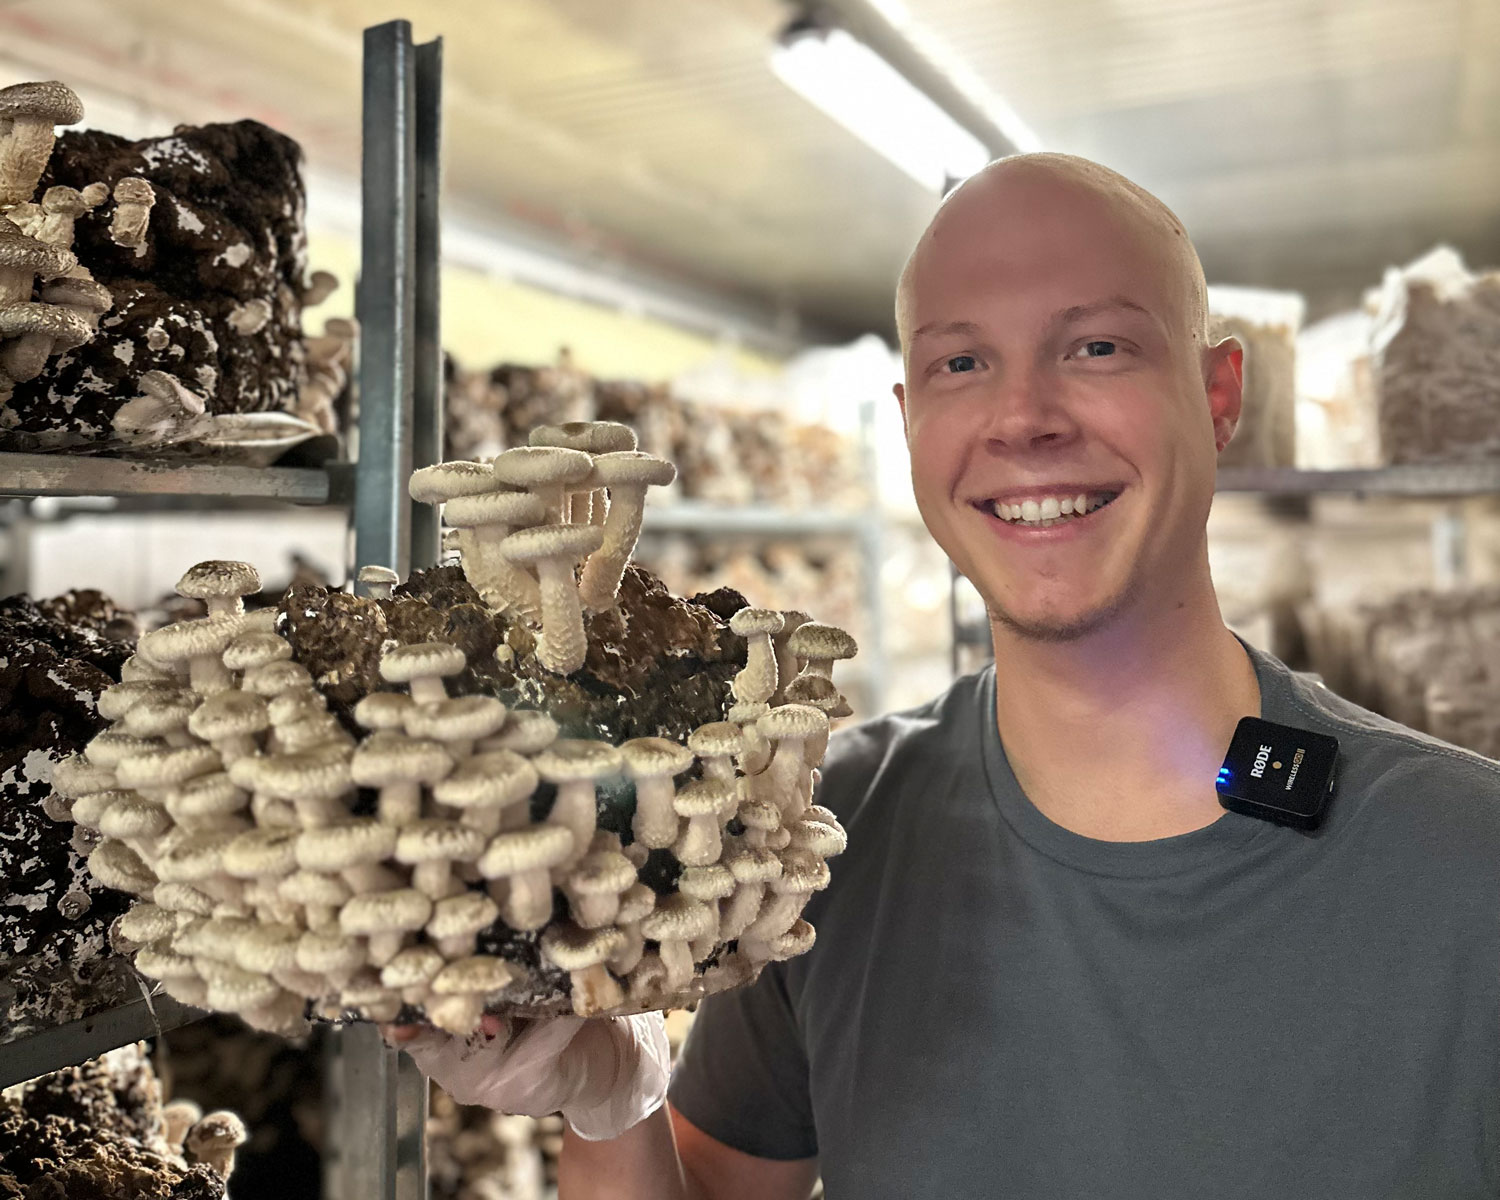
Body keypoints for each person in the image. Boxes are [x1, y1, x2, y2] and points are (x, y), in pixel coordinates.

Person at [391, 154, 1500, 1198]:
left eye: (1097, 347)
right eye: (961, 364)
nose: (1022, 419)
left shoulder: (1463, 864)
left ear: (1218, 398)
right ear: (910, 423)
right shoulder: (815, 841)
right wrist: (610, 1102)